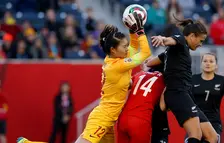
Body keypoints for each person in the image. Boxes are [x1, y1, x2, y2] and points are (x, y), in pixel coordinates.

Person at [17, 12, 151, 143]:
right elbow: (145, 52)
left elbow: (134, 46)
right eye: (124, 46)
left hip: (110, 118)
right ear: (113, 50)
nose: (127, 48)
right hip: (103, 117)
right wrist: (139, 30)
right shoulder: (117, 66)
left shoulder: (116, 58)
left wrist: (133, 30)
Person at [146, 16, 218, 143]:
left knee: (212, 137)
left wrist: (151, 61)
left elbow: (150, 63)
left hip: (185, 95)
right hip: (178, 93)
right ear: (191, 36)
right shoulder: (181, 42)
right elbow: (172, 40)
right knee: (195, 134)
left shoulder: (171, 53)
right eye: (200, 41)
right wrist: (162, 39)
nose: (200, 45)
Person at [191, 53, 224, 142]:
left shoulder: (222, 80)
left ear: (216, 65)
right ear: (201, 64)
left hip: (213, 121)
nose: (208, 63)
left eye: (211, 61)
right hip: (195, 120)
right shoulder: (193, 79)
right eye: (205, 61)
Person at [116, 64, 167, 143]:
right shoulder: (164, 81)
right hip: (141, 119)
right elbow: (163, 106)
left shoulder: (139, 74)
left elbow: (126, 87)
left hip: (123, 117)